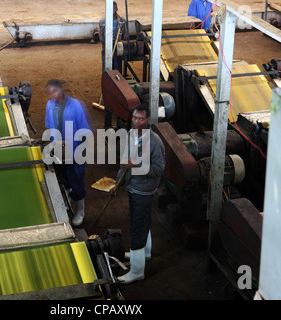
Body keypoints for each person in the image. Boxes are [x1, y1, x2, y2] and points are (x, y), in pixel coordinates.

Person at [115, 104, 165, 284]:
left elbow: (159, 169)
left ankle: (137, 271)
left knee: (137, 227)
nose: (137, 122)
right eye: (135, 118)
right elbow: (124, 162)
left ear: (148, 120)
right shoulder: (130, 135)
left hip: (144, 190)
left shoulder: (154, 142)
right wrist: (117, 182)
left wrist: (134, 165)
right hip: (132, 186)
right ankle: (145, 252)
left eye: (141, 119)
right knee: (142, 220)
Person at [44, 79, 91, 227]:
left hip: (74, 150)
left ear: (60, 90)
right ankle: (65, 202)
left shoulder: (76, 106)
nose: (51, 95)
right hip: (58, 151)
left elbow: (84, 131)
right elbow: (49, 126)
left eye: (54, 91)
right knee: (61, 178)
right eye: (49, 92)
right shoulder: (49, 105)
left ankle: (80, 211)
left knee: (76, 180)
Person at [98, 1, 128, 73]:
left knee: (117, 67)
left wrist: (120, 44)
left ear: (116, 9)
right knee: (107, 67)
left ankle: (117, 82)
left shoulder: (122, 21)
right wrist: (107, 44)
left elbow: (125, 34)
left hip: (118, 48)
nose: (111, 11)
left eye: (113, 9)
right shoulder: (102, 22)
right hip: (107, 48)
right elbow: (101, 36)